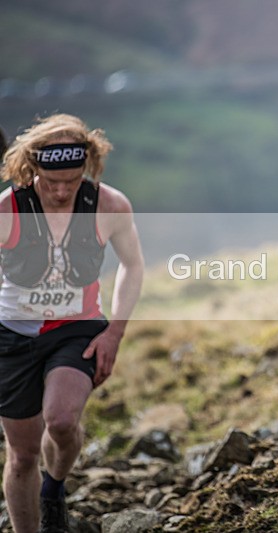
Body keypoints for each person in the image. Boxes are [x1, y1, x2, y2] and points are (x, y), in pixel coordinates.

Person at [0, 114, 144, 533]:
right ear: (32, 169)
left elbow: (132, 267)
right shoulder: (8, 210)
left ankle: (55, 488)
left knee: (62, 421)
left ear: (87, 168)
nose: (62, 191)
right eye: (51, 182)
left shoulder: (110, 205)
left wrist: (114, 332)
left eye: (72, 180)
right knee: (22, 454)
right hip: (12, 335)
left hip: (76, 329)